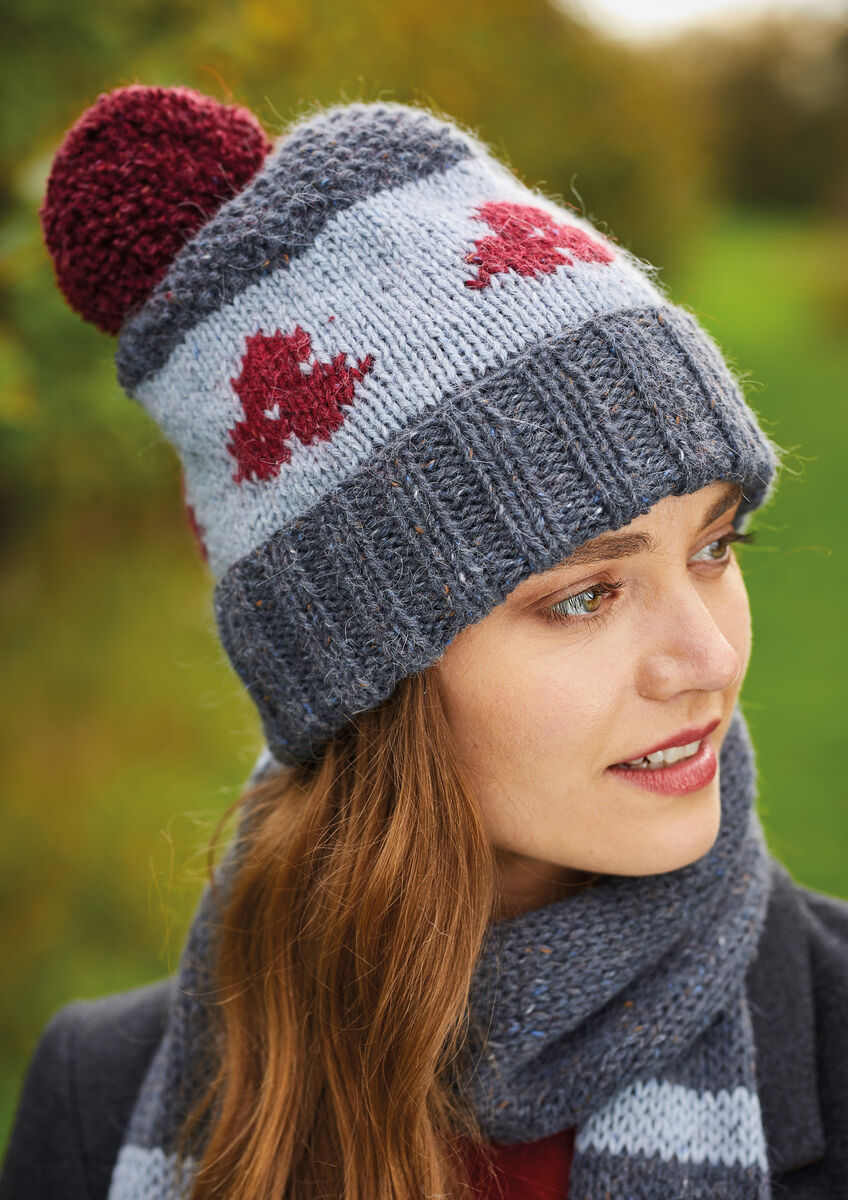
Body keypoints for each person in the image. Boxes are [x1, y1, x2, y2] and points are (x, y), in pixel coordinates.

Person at [1, 83, 846, 1200]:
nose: (709, 661)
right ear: (362, 672)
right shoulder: (94, 1098)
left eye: (713, 546)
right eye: (585, 597)